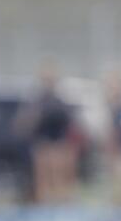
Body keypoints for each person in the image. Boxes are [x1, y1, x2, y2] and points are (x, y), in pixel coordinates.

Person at [15, 64, 82, 204]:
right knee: (45, 176)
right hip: (44, 144)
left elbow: (70, 123)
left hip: (59, 144)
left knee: (60, 175)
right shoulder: (37, 101)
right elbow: (25, 124)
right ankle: (45, 202)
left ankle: (62, 201)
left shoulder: (60, 100)